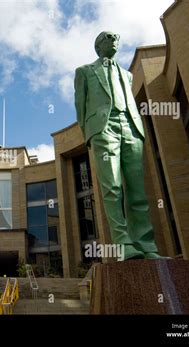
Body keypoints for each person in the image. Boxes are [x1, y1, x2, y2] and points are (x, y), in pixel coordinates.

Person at [74, 31, 166, 260]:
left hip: (131, 128)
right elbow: (80, 106)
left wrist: (137, 129)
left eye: (116, 38)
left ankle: (146, 245)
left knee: (138, 190)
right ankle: (123, 243)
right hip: (103, 129)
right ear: (98, 46)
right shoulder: (85, 71)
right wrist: (90, 134)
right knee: (112, 186)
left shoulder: (127, 75)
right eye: (108, 38)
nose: (114, 40)